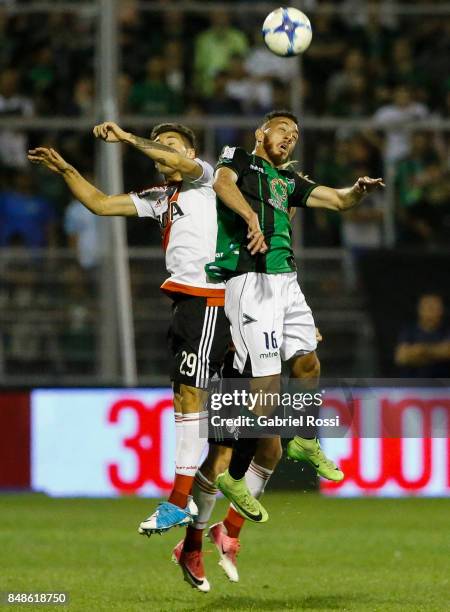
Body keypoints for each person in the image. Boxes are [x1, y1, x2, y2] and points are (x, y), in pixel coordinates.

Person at [206, 110, 384, 521]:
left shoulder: (289, 181)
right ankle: (233, 476)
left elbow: (338, 200)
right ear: (260, 133)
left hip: (287, 282)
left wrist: (358, 189)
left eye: (296, 134)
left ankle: (304, 436)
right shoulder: (239, 159)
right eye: (282, 129)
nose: (290, 137)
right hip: (251, 281)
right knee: (266, 389)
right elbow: (221, 184)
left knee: (307, 362)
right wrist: (250, 216)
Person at [394, 294, 450, 378]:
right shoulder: (409, 331)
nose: (435, 311)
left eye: (438, 308)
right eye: (430, 308)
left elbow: (447, 352)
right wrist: (437, 353)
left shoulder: (447, 330)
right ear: (420, 310)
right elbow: (401, 358)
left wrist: (421, 351)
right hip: (414, 384)